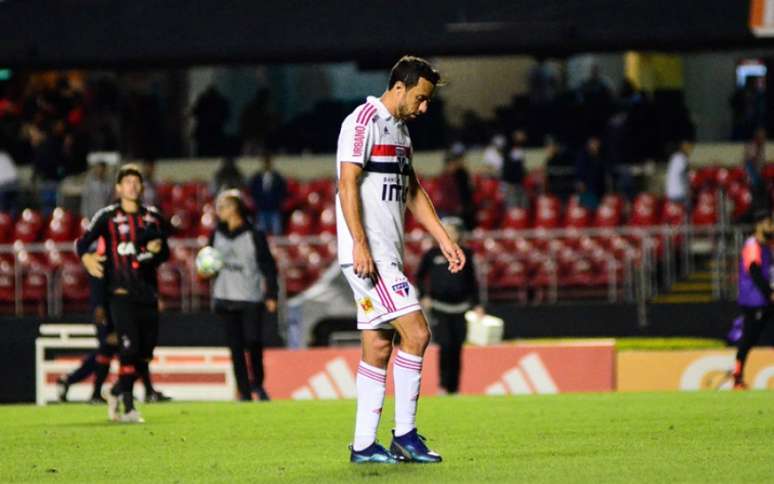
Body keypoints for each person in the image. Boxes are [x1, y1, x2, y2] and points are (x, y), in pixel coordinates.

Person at [336, 55, 464, 464]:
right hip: (369, 255)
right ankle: (405, 436)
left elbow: (411, 191)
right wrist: (359, 244)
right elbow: (346, 182)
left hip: (387, 253)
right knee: (417, 332)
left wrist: (443, 237)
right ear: (399, 88)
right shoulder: (362, 122)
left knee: (378, 343)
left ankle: (362, 445)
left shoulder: (401, 134)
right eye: (421, 98)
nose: (424, 107)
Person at [76, 163, 170, 423]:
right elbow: (82, 242)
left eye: (136, 182)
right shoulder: (107, 217)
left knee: (145, 354)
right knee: (128, 349)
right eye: (127, 182)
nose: (132, 186)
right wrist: (86, 258)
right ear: (118, 188)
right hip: (119, 294)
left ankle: (117, 390)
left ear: (141, 187)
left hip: (147, 294)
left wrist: (157, 249)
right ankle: (129, 408)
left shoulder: (152, 217)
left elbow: (165, 253)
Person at [203, 189, 278, 401]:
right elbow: (208, 262)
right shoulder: (215, 234)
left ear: (236, 208)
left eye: (224, 206)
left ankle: (258, 384)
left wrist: (271, 293)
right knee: (235, 347)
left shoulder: (255, 235)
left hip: (250, 298)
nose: (220, 211)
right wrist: (204, 271)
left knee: (254, 343)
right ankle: (244, 391)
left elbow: (268, 266)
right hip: (225, 297)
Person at [416, 217, 483, 395]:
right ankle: (444, 386)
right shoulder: (431, 254)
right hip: (440, 307)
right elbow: (419, 277)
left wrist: (477, 304)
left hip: (461, 307)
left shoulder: (466, 254)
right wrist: (424, 296)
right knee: (445, 345)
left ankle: (455, 387)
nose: (449, 234)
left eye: (452, 230)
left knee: (457, 346)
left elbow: (472, 281)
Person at [733, 210, 774, 390]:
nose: (771, 228)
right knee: (748, 339)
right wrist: (769, 292)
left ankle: (737, 376)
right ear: (759, 225)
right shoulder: (752, 245)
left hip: (766, 300)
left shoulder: (768, 246)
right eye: (769, 224)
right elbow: (754, 271)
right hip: (754, 300)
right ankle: (737, 377)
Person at [249, 152, 286, 235]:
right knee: (262, 235)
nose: (266, 164)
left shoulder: (278, 177)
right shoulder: (256, 177)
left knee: (277, 233)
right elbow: (253, 192)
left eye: (268, 162)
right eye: (265, 162)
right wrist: (258, 202)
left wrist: (277, 202)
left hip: (275, 209)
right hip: (261, 209)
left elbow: (282, 191)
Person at [665, 139, 694, 207]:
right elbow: (684, 173)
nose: (690, 149)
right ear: (683, 147)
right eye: (688, 147)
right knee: (688, 211)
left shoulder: (675, 157)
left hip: (670, 193)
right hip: (679, 193)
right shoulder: (682, 157)